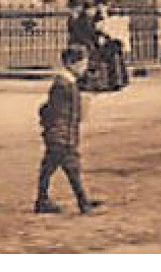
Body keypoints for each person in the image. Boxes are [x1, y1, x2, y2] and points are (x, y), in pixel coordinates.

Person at [34, 47, 102, 215]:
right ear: (72, 63)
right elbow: (57, 113)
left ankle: (42, 200)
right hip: (61, 134)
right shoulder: (64, 85)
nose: (84, 68)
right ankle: (83, 202)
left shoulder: (67, 83)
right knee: (71, 168)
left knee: (49, 167)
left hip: (60, 133)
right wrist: (61, 134)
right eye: (82, 63)